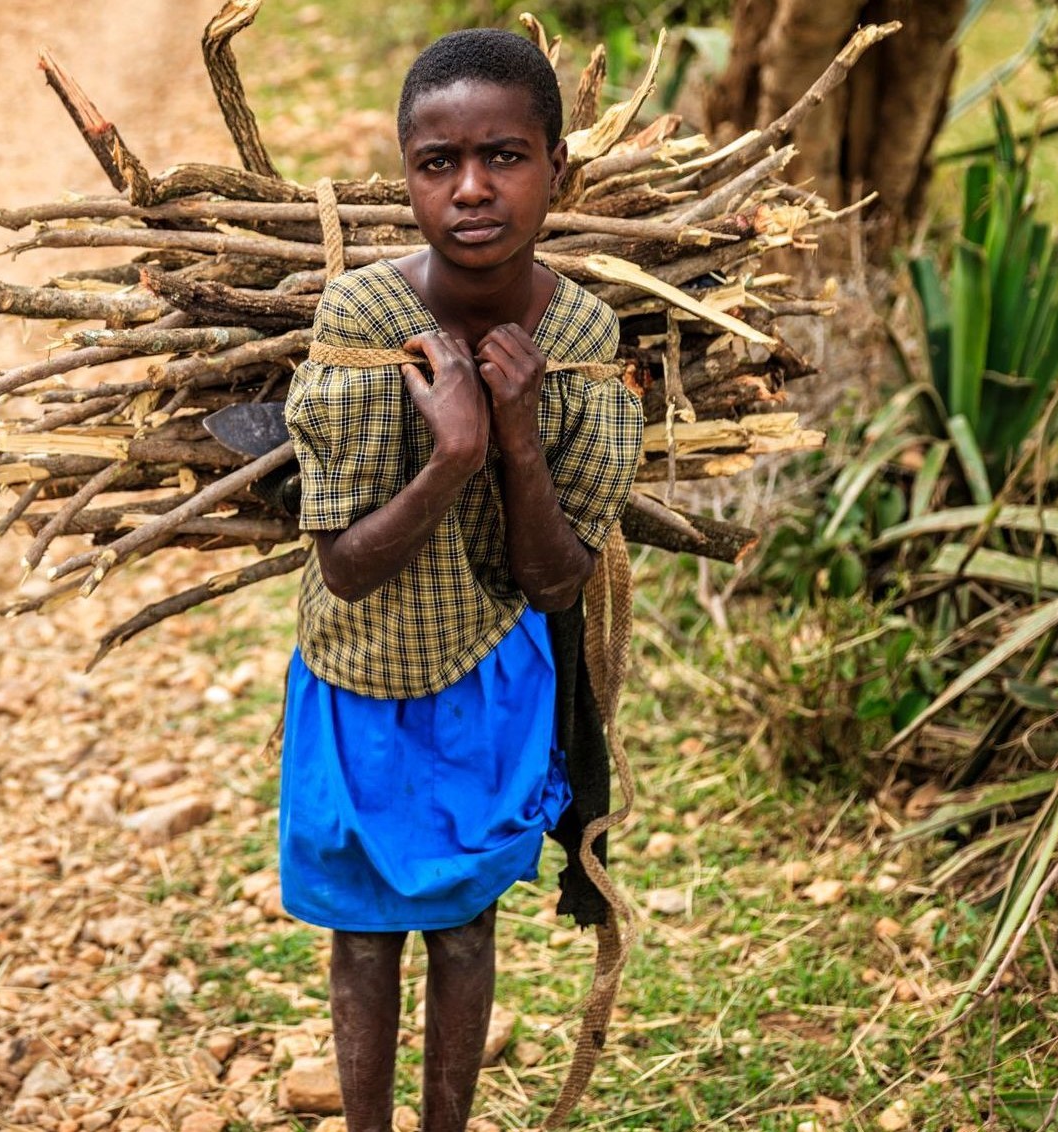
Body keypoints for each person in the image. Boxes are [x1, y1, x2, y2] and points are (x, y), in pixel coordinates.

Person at [280, 29, 642, 1132]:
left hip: (492, 674)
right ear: (405, 177)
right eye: (438, 163)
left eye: (504, 155)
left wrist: (518, 439)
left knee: (462, 926)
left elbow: (555, 581)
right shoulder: (360, 322)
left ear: (557, 170)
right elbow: (342, 569)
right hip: (350, 676)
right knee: (359, 930)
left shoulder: (580, 337)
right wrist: (450, 455)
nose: (471, 189)